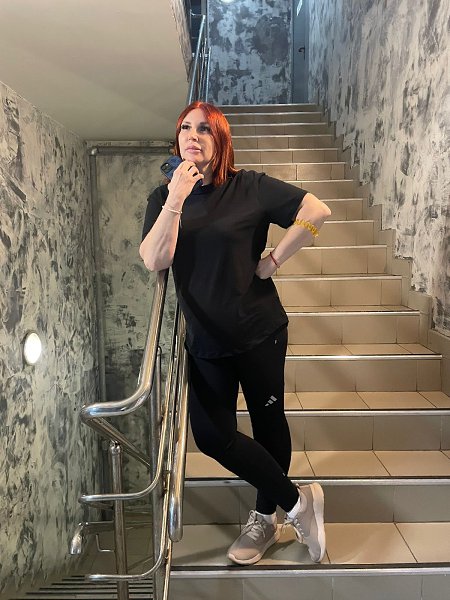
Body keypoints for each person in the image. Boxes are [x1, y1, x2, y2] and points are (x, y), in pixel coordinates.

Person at [140, 101, 331, 565]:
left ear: (220, 139)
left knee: (268, 424)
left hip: (258, 332)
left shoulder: (250, 186)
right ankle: (299, 502)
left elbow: (317, 209)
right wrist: (176, 197)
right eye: (185, 127)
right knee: (212, 436)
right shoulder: (163, 197)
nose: (193, 135)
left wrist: (275, 260)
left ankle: (265, 518)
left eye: (205, 129)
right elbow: (154, 259)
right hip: (205, 342)